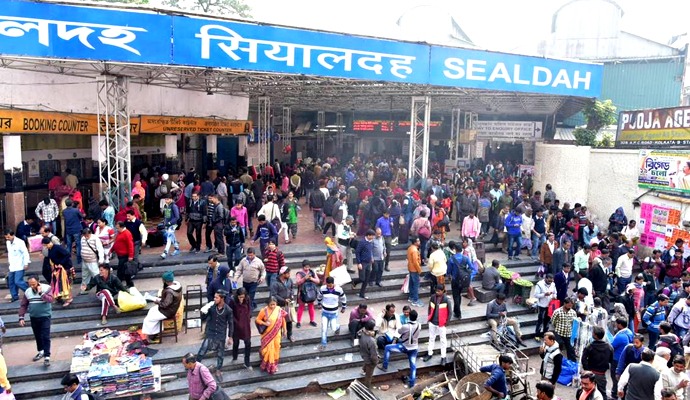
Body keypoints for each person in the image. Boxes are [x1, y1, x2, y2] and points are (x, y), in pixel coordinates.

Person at [378, 309, 420, 389]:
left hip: (405, 347)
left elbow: (399, 331)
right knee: (413, 365)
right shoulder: (419, 325)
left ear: (409, 317)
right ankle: (412, 383)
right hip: (414, 348)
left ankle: (384, 366)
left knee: (387, 347)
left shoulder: (406, 326)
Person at [19, 275, 53, 366]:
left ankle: (47, 356)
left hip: (45, 316)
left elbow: (50, 300)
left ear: (38, 281)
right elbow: (24, 305)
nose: (32, 286)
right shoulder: (27, 291)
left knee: (45, 336)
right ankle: (41, 351)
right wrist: (21, 317)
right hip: (34, 317)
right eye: (30, 284)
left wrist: (41, 293)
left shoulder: (47, 288)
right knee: (38, 335)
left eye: (33, 284)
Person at [197, 289, 234, 376]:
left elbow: (231, 323)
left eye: (216, 298)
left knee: (220, 353)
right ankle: (195, 366)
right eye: (214, 297)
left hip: (221, 333)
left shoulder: (228, 310)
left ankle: (218, 369)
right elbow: (204, 319)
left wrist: (230, 337)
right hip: (210, 332)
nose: (214, 299)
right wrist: (204, 311)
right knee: (203, 349)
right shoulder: (212, 307)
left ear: (222, 298)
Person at [141, 271, 182, 343]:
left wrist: (157, 302)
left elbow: (165, 304)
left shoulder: (169, 291)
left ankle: (151, 336)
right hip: (171, 308)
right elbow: (169, 301)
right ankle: (155, 332)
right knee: (151, 310)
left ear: (165, 281)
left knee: (148, 320)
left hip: (167, 311)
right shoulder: (177, 286)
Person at [256, 296, 287, 374]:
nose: (273, 306)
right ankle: (267, 365)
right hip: (267, 334)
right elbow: (257, 320)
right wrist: (264, 323)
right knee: (268, 349)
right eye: (271, 305)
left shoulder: (279, 310)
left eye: (274, 304)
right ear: (268, 304)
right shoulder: (264, 310)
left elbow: (283, 320)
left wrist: (285, 330)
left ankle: (273, 365)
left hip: (277, 334)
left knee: (276, 348)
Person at [582, 326, 614, 396]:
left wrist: (587, 370)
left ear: (595, 335)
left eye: (593, 333)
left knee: (586, 393)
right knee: (602, 394)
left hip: (590, 374)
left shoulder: (590, 346)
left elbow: (583, 359)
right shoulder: (609, 347)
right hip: (601, 375)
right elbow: (611, 360)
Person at [43, 236, 74, 307]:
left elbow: (67, 254)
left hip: (65, 267)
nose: (45, 247)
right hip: (57, 268)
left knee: (65, 283)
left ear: (49, 243)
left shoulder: (57, 247)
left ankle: (69, 298)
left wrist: (61, 263)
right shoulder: (50, 249)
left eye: (45, 245)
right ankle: (59, 297)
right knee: (58, 283)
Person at [317, 276, 347, 350]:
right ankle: (323, 344)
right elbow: (319, 296)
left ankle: (337, 327)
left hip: (333, 313)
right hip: (325, 312)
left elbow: (343, 298)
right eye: (327, 285)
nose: (329, 287)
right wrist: (319, 303)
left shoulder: (339, 289)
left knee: (333, 327)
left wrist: (344, 307)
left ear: (333, 283)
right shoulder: (323, 288)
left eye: (330, 285)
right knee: (324, 329)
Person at [423, 284, 450, 364]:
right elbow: (429, 308)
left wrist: (446, 322)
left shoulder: (446, 300)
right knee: (431, 338)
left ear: (443, 291)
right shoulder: (433, 297)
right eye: (436, 291)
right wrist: (429, 316)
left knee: (443, 340)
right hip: (432, 322)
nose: (437, 292)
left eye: (439, 291)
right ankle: (429, 353)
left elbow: (450, 312)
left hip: (441, 323)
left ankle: (443, 357)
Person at [228, 287, 252, 370]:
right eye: (240, 297)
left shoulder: (247, 299)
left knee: (248, 342)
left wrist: (248, 317)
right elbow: (230, 314)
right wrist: (236, 322)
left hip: (245, 324)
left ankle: (247, 362)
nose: (241, 299)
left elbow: (249, 308)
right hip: (236, 324)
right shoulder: (232, 301)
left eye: (243, 297)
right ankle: (235, 356)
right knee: (236, 342)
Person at [269, 266, 295, 342]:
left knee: (289, 320)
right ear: (283, 274)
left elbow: (292, 289)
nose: (289, 275)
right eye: (288, 273)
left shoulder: (289, 280)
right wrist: (284, 300)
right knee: (279, 321)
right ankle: (279, 336)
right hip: (279, 305)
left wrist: (291, 295)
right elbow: (274, 294)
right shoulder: (275, 283)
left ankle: (289, 335)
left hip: (289, 304)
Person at [610, 318, 634, 400]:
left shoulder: (620, 336)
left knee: (615, 377)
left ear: (620, 325)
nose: (615, 325)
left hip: (616, 359)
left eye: (616, 324)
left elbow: (612, 346)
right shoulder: (629, 332)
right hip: (625, 359)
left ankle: (614, 393)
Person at [5, 229, 30, 303]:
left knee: (18, 281)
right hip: (12, 265)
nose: (7, 238)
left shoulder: (20, 242)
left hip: (20, 265)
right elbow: (10, 254)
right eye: (6, 237)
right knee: (11, 282)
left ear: (13, 235)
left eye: (8, 237)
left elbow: (25, 253)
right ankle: (14, 296)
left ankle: (30, 291)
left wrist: (26, 263)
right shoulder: (8, 242)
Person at [295, 260, 320, 328]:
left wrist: (311, 278)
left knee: (311, 306)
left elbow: (318, 281)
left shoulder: (312, 272)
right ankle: (298, 322)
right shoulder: (299, 273)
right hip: (302, 292)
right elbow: (297, 282)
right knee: (301, 307)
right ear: (303, 267)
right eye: (305, 267)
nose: (307, 268)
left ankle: (312, 320)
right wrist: (304, 278)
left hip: (311, 292)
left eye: (308, 267)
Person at [79, 227, 104, 293]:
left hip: (92, 261)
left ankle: (102, 289)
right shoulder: (83, 238)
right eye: (85, 235)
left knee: (96, 276)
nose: (86, 237)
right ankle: (84, 290)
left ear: (90, 233)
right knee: (84, 276)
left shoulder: (95, 239)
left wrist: (101, 259)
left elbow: (100, 249)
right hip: (85, 261)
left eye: (87, 236)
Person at [111, 221, 135, 288]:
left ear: (121, 227)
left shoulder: (127, 233)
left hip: (124, 255)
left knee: (120, 270)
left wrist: (130, 256)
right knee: (125, 270)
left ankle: (118, 284)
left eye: (117, 228)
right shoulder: (119, 233)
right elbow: (116, 242)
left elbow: (130, 245)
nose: (117, 229)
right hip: (120, 254)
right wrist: (111, 250)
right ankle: (129, 283)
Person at [534, 274, 557, 341]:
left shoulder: (553, 284)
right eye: (549, 280)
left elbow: (555, 293)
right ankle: (537, 334)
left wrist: (554, 296)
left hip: (550, 305)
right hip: (542, 305)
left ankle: (545, 334)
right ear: (545, 278)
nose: (550, 282)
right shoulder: (539, 284)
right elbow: (536, 295)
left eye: (551, 280)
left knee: (547, 320)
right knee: (540, 320)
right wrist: (544, 294)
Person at [359, 319, 378, 389]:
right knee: (369, 375)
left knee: (366, 362)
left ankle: (363, 370)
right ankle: (366, 387)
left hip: (363, 353)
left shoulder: (361, 332)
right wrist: (375, 362)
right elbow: (373, 355)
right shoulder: (371, 341)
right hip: (370, 358)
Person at [407, 237, 423, 307]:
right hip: (415, 269)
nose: (419, 242)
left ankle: (411, 297)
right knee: (416, 285)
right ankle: (415, 300)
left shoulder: (410, 248)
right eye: (418, 241)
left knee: (411, 283)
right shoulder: (415, 250)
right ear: (415, 242)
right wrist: (419, 270)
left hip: (410, 268)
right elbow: (415, 262)